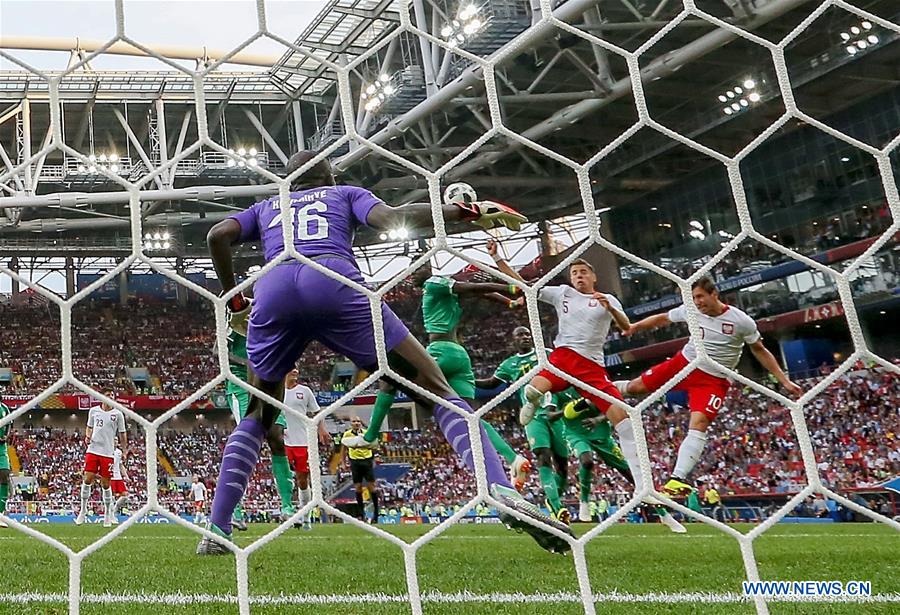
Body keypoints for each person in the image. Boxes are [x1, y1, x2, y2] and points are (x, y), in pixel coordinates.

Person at [197, 151, 571, 555]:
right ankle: (500, 490)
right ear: (328, 176)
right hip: (334, 279)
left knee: (258, 414)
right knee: (435, 389)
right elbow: (392, 218)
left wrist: (235, 301)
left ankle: (216, 531)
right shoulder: (344, 194)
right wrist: (465, 211)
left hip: (274, 289)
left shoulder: (267, 206)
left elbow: (217, 234)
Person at [344, 264, 532, 490]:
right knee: (470, 417)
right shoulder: (441, 289)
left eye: (416, 270)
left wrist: (512, 288)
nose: (411, 275)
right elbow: (475, 292)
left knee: (390, 378)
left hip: (440, 350)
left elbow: (471, 288)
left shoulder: (435, 282)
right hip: (460, 356)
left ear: (427, 268)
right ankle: (513, 458)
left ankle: (371, 435)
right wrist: (508, 302)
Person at [614, 277, 802, 496]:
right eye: (693, 297)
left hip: (714, 379)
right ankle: (597, 394)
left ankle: (677, 479)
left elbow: (759, 350)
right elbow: (663, 318)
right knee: (636, 388)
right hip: (685, 363)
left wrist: (784, 380)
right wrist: (635, 326)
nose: (697, 301)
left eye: (701, 296)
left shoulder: (741, 321)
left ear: (714, 294)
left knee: (699, 422)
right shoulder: (691, 311)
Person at [475, 326, 570, 520]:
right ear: (513, 341)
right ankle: (557, 506)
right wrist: (468, 379)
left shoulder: (547, 355)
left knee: (562, 467)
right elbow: (491, 383)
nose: (525, 337)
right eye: (520, 335)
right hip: (532, 416)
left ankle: (553, 500)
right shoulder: (509, 365)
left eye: (527, 334)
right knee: (543, 457)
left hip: (555, 413)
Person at [225, 326, 295, 529]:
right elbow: (217, 350)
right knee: (247, 440)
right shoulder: (235, 313)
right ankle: (235, 510)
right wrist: (247, 362)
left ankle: (287, 507)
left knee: (277, 439)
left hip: (268, 378)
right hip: (240, 382)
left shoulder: (272, 313)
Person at [282, 368, 331, 529]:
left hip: (303, 442)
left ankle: (306, 516)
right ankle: (288, 510)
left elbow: (317, 412)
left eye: (296, 368)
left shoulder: (305, 391)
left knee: (302, 480)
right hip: (284, 441)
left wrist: (322, 429)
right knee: (285, 477)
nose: (295, 370)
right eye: (291, 367)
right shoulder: (276, 391)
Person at [76, 392, 127, 528]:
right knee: (88, 478)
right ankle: (83, 510)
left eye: (112, 395)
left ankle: (107, 515)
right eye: (107, 395)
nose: (110, 397)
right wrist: (87, 436)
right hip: (93, 449)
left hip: (107, 453)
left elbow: (122, 433)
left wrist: (125, 449)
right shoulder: (94, 411)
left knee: (105, 484)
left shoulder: (118, 414)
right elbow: (89, 427)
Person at [341, 417, 379, 523]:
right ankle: (361, 514)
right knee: (358, 488)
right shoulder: (347, 435)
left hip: (366, 461)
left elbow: (374, 446)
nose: (356, 423)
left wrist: (369, 451)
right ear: (351, 424)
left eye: (358, 421)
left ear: (361, 423)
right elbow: (343, 449)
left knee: (371, 487)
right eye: (354, 421)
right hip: (355, 462)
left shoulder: (366, 433)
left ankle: (376, 514)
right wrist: (344, 463)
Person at [108, 447, 129, 524]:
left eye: (117, 440)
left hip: (118, 477)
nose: (115, 441)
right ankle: (111, 516)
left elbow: (120, 465)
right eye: (114, 440)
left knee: (125, 495)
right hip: (110, 477)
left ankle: (115, 508)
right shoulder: (107, 450)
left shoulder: (119, 452)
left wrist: (126, 476)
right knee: (111, 497)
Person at [0, 395, 12, 528]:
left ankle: (0, 513)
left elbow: (9, 425)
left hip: (1, 448)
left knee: (4, 474)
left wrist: (5, 436)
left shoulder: (4, 409)